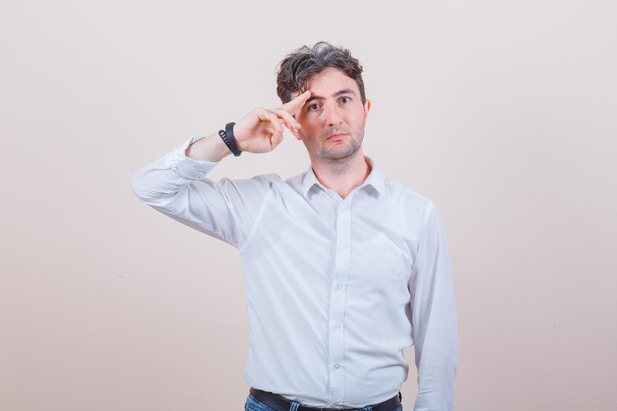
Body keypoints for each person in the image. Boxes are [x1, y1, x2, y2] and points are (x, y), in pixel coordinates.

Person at [131, 41, 458, 411]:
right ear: (295, 126)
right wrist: (232, 138)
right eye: (314, 106)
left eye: (344, 100)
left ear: (366, 110)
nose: (333, 117)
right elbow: (152, 187)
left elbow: (438, 344)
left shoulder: (417, 215)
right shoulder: (261, 205)